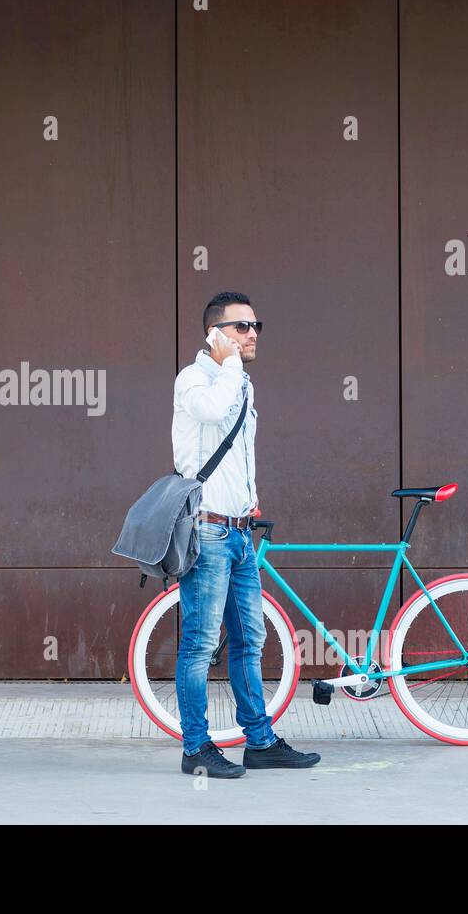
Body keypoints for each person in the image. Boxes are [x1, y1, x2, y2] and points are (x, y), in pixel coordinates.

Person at [171, 291, 322, 779]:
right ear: (214, 334)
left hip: (237, 533)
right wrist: (230, 364)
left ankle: (259, 741)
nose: (252, 333)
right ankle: (196, 748)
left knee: (249, 641)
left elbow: (239, 451)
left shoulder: (243, 384)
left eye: (256, 325)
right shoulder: (194, 380)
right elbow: (213, 413)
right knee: (199, 644)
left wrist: (249, 497)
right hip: (208, 531)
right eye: (240, 327)